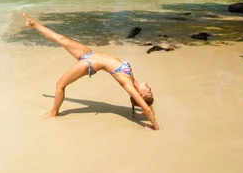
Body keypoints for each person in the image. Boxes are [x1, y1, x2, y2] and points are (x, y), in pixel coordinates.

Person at [21, 11, 160, 130]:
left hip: (89, 63)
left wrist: (156, 127)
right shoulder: (133, 80)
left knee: (60, 84)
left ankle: (53, 112)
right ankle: (33, 25)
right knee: (61, 39)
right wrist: (147, 106)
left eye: (149, 91)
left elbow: (146, 108)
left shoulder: (128, 84)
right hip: (90, 54)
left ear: (141, 94)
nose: (150, 87)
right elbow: (147, 106)